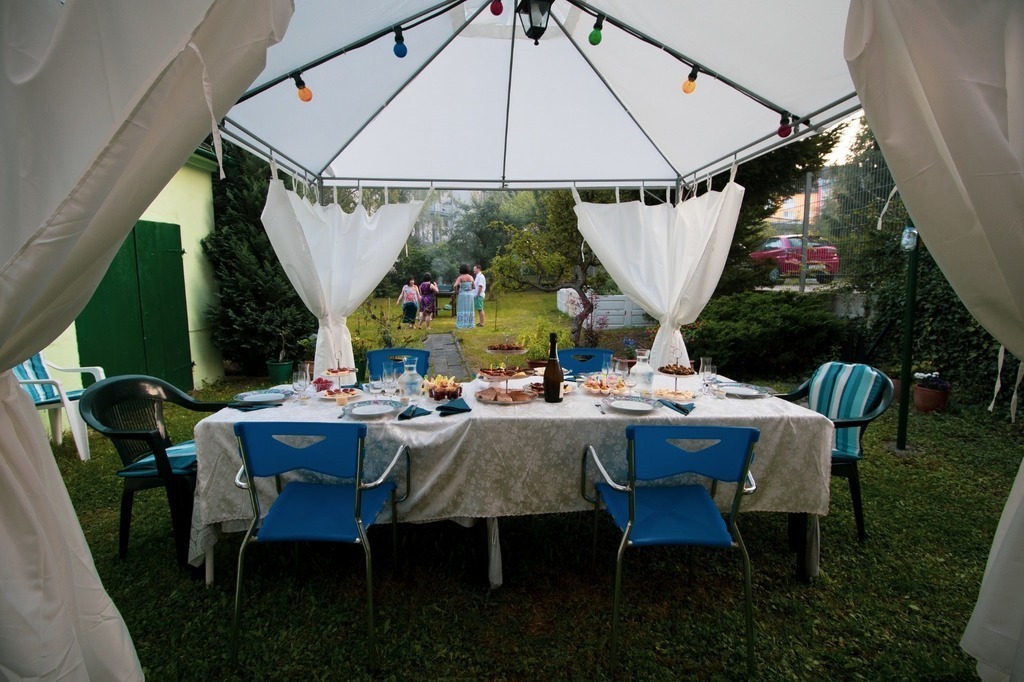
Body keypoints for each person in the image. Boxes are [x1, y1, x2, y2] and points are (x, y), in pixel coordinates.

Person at [454, 264, 475, 329]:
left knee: (462, 308)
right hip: (470, 295)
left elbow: (455, 285)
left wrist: (456, 291)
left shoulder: (460, 277)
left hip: (462, 295)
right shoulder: (471, 277)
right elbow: (474, 286)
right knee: (469, 308)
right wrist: (470, 288)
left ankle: (462, 323)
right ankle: (470, 323)